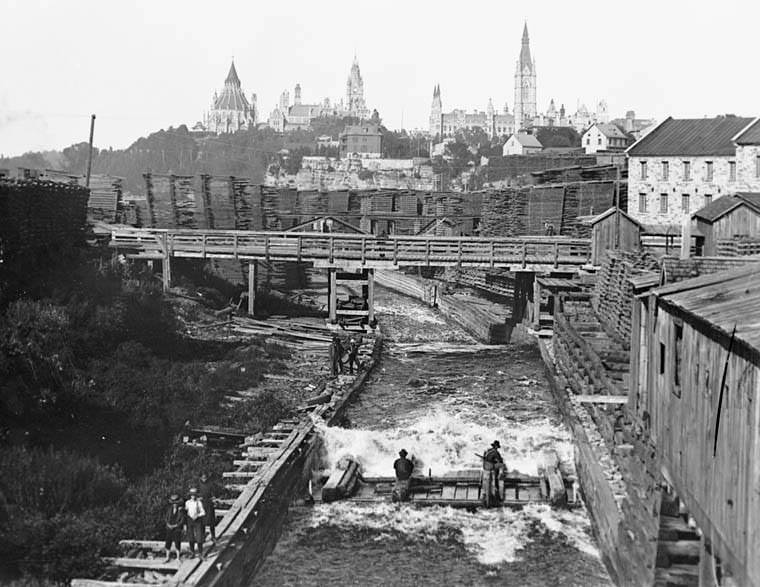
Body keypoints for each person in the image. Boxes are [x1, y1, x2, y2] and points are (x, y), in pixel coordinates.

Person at [482, 440, 505, 507]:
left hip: (485, 465)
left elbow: (485, 456)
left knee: (494, 464)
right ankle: (500, 475)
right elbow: (500, 460)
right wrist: (497, 461)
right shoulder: (496, 452)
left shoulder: (488, 450)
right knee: (502, 465)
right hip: (490, 466)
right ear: (496, 446)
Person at [163, 493, 186, 563]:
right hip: (169, 527)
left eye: (176, 503)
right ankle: (167, 557)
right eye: (173, 503)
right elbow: (166, 518)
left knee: (177, 541)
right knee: (168, 541)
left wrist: (176, 525)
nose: (174, 504)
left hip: (177, 528)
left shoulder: (181, 510)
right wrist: (168, 524)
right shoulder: (169, 509)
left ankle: (178, 557)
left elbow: (182, 520)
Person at [185, 487, 206, 559]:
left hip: (197, 520)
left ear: (196, 495)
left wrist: (198, 515)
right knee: (191, 537)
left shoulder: (199, 502)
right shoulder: (187, 502)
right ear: (190, 495)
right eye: (191, 495)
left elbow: (203, 512)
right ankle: (192, 552)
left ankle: (201, 553)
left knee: (199, 537)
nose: (193, 496)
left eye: (194, 495)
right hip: (190, 520)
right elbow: (186, 511)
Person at [199, 473, 216, 545]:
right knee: (202, 522)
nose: (204, 479)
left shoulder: (210, 484)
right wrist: (198, 498)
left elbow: (214, 493)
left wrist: (213, 497)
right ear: (200, 478)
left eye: (205, 477)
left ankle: (213, 536)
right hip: (202, 504)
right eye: (202, 478)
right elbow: (195, 494)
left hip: (209, 504)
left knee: (211, 521)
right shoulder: (198, 484)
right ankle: (202, 537)